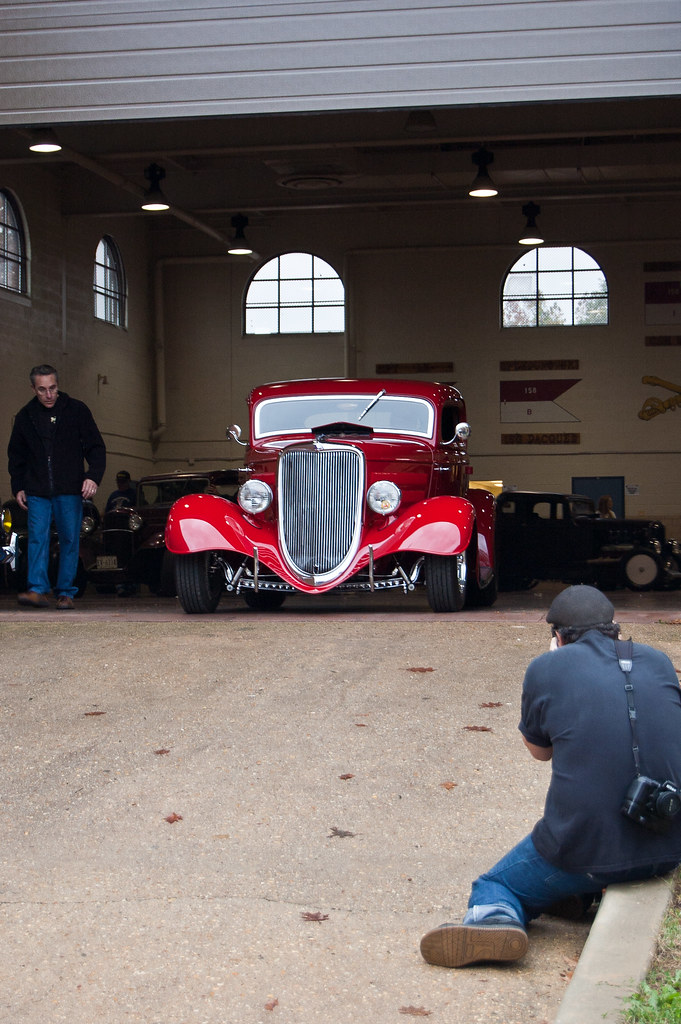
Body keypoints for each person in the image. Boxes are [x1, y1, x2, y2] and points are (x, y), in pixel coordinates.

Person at [420, 584, 681, 969]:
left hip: (586, 850)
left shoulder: (547, 667)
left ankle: (496, 920)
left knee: (497, 884)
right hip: (667, 845)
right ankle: (571, 895)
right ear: (615, 628)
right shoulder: (657, 661)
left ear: (558, 637)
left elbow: (540, 752)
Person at [7, 364, 106, 610]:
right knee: (37, 539)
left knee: (70, 540)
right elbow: (16, 455)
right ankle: (38, 590)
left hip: (69, 489)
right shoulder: (25, 416)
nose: (48, 395)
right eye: (42, 390)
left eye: (52, 388)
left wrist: (92, 476)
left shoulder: (77, 411)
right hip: (37, 490)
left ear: (58, 385)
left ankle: (65, 592)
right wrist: (18, 485)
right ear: (33, 388)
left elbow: (96, 447)